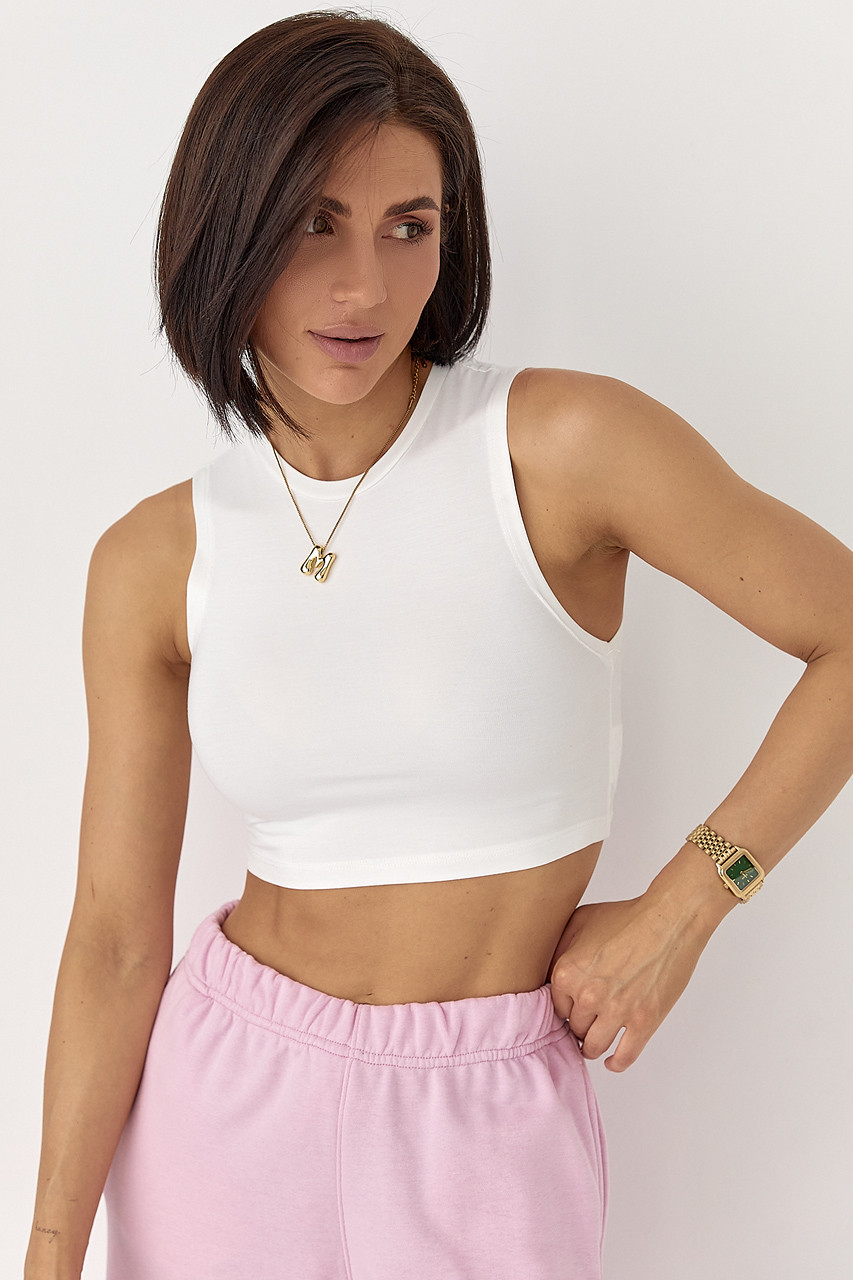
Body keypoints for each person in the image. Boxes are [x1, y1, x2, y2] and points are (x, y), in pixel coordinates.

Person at [24, 10, 853, 1280]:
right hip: (224, 1105)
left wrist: (690, 901)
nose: (365, 286)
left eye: (409, 226)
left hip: (487, 1117)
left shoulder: (558, 448)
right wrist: (48, 1250)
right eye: (315, 224)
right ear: (227, 227)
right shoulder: (155, 556)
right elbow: (114, 938)